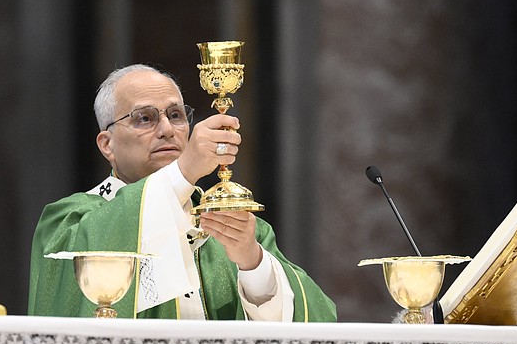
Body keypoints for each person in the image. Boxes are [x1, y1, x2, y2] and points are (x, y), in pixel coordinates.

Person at [29, 64, 336, 321]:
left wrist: (251, 262)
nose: (167, 129)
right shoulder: (69, 222)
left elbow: (316, 322)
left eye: (175, 115)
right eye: (145, 118)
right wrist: (185, 170)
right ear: (107, 145)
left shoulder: (229, 220)